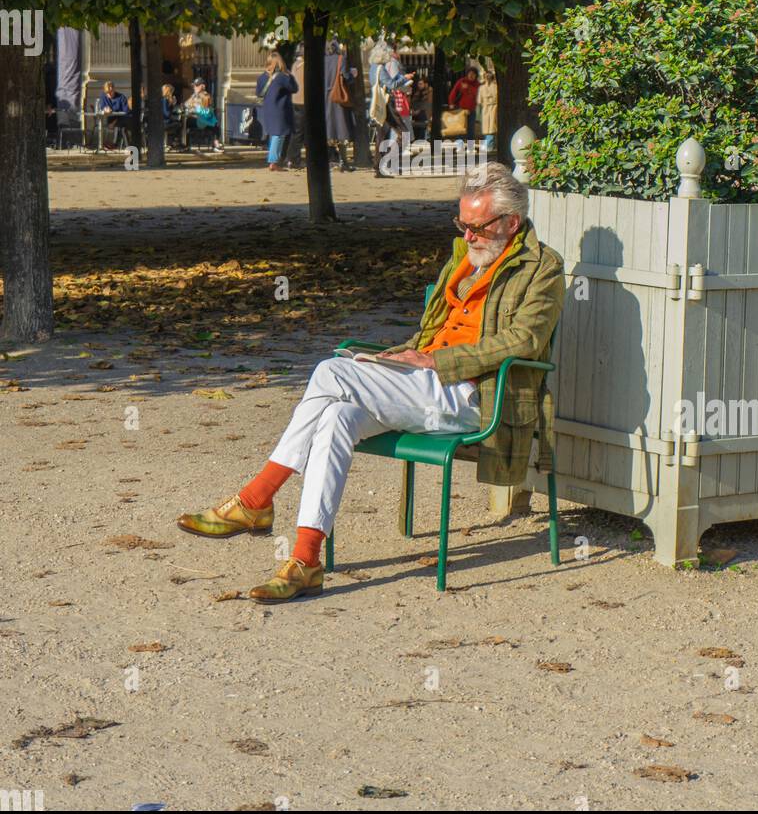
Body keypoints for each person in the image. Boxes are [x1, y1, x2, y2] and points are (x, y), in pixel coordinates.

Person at [177, 163, 565, 602]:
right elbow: (434, 328)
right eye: (462, 224)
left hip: (476, 394)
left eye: (477, 227)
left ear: (511, 223)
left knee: (331, 371)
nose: (467, 235)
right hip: (423, 382)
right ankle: (305, 561)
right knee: (337, 417)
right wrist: (398, 358)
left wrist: (435, 360)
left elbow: (526, 339)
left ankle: (256, 498)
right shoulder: (464, 258)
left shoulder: (543, 268)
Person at [368, 38, 413, 177]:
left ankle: (378, 167)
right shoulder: (381, 68)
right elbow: (392, 84)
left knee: (381, 136)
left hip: (379, 104)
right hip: (387, 103)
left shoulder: (372, 68)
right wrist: (405, 77)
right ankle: (389, 160)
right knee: (404, 132)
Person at [255, 53, 297, 171]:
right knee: (279, 135)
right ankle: (273, 162)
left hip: (268, 108)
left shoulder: (262, 77)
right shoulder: (283, 77)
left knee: (275, 134)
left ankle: (276, 161)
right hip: (280, 108)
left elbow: (258, 93)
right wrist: (289, 75)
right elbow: (294, 88)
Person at [324, 38, 357, 172]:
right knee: (341, 129)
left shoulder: (321, 60)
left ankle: (328, 161)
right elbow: (345, 76)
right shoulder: (340, 59)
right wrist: (353, 75)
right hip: (337, 97)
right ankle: (343, 162)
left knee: (328, 129)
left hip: (324, 98)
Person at [185, 78, 223, 151]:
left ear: (202, 86)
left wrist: (194, 109)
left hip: (201, 119)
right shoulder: (193, 96)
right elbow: (186, 104)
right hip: (193, 119)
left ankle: (216, 144)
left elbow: (206, 110)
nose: (194, 88)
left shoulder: (206, 96)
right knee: (184, 123)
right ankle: (184, 144)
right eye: (194, 86)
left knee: (215, 124)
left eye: (195, 86)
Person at [284, 46, 305, 168]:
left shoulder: (295, 65)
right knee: (299, 132)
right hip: (303, 101)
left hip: (295, 100)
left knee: (297, 131)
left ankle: (291, 157)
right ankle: (293, 158)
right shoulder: (304, 65)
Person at [95, 80, 131, 149]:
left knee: (120, 126)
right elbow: (102, 106)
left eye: (111, 92)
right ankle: (125, 147)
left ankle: (115, 144)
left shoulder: (121, 97)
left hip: (123, 118)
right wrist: (105, 109)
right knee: (122, 128)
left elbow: (126, 111)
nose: (109, 94)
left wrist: (114, 120)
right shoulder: (104, 96)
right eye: (107, 93)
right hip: (112, 120)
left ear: (114, 89)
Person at [448, 66, 480, 141]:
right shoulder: (461, 81)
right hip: (461, 109)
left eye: (473, 74)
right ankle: (460, 147)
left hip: (472, 110)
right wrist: (451, 103)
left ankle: (470, 148)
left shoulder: (478, 85)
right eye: (470, 73)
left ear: (476, 76)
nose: (471, 75)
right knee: (460, 129)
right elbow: (454, 92)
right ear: (467, 74)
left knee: (471, 130)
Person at [477, 65, 498, 155]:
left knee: (492, 128)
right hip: (485, 108)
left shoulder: (496, 86)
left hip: (494, 107)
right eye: (486, 76)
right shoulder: (481, 88)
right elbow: (479, 100)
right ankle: (488, 144)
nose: (487, 78)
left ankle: (489, 145)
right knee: (486, 128)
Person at [410, 72, 433, 142]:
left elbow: (428, 104)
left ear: (426, 84)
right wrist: (413, 110)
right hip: (417, 114)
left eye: (420, 84)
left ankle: (421, 139)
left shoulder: (430, 91)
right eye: (418, 84)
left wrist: (418, 110)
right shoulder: (418, 92)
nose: (418, 85)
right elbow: (413, 102)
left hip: (426, 114)